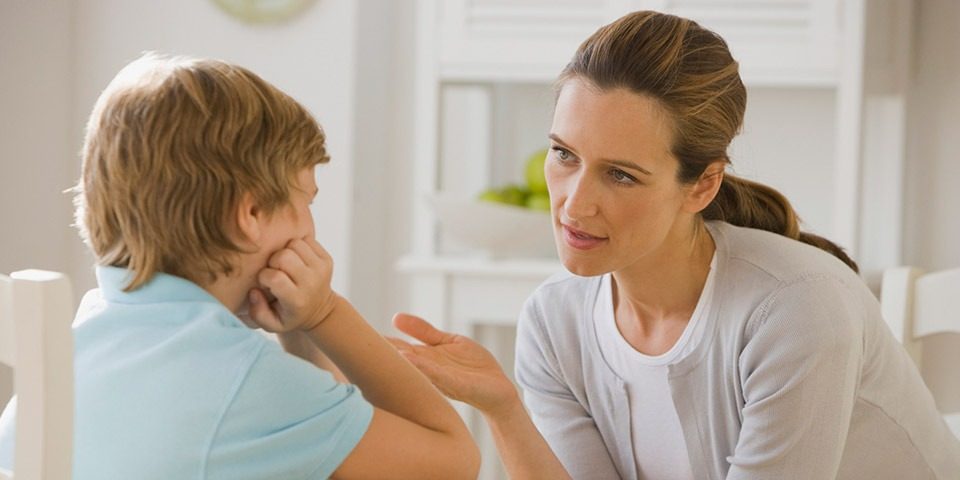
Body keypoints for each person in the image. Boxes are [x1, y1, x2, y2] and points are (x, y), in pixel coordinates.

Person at [390, 10, 960, 480]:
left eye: (621, 175)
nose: (574, 205)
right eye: (564, 154)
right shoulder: (553, 321)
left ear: (702, 185)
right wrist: (504, 409)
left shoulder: (795, 309)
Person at [0, 53, 479, 479]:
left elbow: (320, 452)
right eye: (307, 201)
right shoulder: (250, 384)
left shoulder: (80, 340)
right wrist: (323, 314)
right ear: (250, 215)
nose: (311, 230)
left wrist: (295, 334)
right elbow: (454, 460)